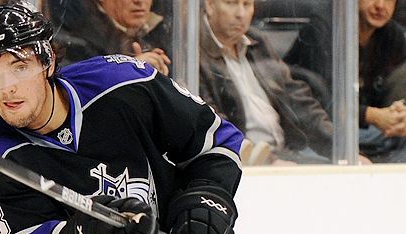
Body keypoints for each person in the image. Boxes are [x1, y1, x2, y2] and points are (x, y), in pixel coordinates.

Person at [0, 2, 244, 234]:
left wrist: (207, 201)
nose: (6, 87)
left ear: (48, 61)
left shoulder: (121, 83)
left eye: (19, 67)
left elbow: (215, 140)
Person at [199, 0, 345, 165]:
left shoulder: (257, 42)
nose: (241, 14)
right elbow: (209, 121)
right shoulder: (192, 51)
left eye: (247, 5)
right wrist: (269, 161)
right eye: (231, 3)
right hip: (235, 163)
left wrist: (344, 149)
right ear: (210, 5)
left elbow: (297, 100)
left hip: (284, 155)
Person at [285, 0, 406, 162]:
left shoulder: (393, 35)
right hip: (320, 134)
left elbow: (395, 89)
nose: (381, 6)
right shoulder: (321, 30)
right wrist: (373, 115)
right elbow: (320, 105)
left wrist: (400, 114)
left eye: (389, 0)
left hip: (373, 134)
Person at [51, 0, 172, 75]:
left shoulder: (165, 32)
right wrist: (128, 70)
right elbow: (70, 83)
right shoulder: (72, 36)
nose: (139, 1)